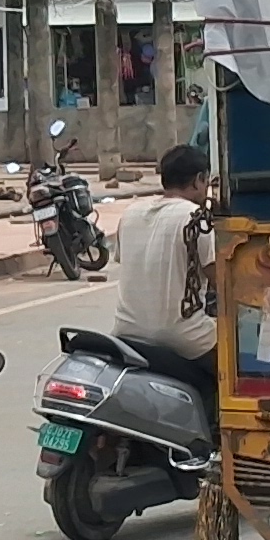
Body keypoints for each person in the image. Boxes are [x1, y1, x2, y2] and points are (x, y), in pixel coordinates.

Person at [111, 143, 220, 399]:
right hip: (182, 338)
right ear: (198, 180)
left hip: (126, 333)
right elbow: (222, 282)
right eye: (206, 182)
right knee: (242, 369)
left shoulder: (130, 213)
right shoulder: (196, 217)